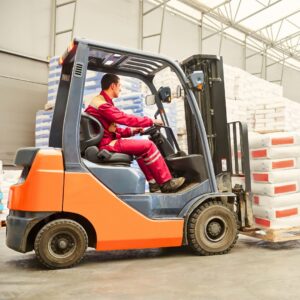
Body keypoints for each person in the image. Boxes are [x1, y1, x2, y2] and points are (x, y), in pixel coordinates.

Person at [85, 73, 185, 193]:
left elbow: (112, 130)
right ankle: (166, 182)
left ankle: (153, 184)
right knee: (149, 146)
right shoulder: (103, 105)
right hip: (106, 144)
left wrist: (133, 131)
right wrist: (150, 121)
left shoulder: (103, 102)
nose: (120, 88)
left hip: (106, 141)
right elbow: (124, 119)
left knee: (140, 150)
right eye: (119, 85)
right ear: (113, 86)